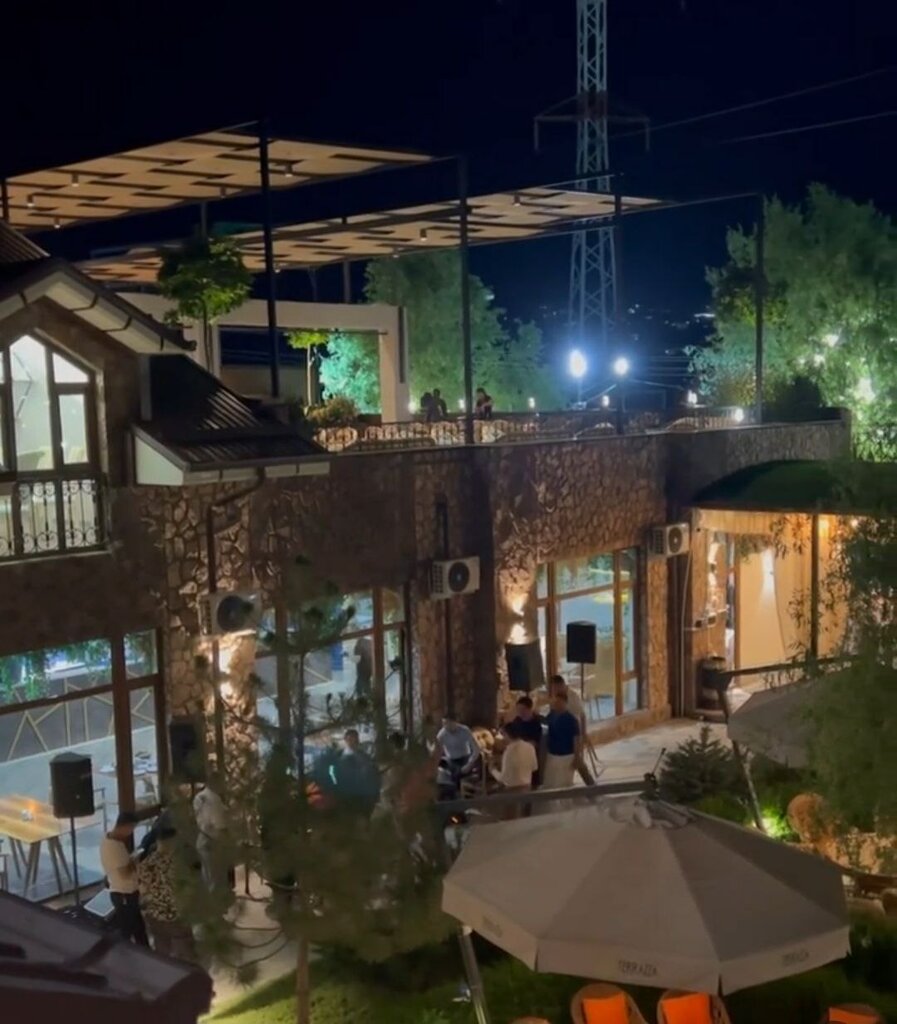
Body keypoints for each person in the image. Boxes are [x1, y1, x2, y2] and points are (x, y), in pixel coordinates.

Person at [137, 823, 197, 961]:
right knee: (186, 953)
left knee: (162, 950)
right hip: (177, 915)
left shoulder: (145, 863)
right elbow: (188, 891)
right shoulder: (178, 865)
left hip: (155, 915)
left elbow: (143, 890)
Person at [100, 811, 149, 946]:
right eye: (132, 828)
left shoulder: (109, 839)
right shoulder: (114, 847)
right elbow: (124, 873)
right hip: (124, 894)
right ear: (125, 826)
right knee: (130, 930)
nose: (131, 832)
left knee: (138, 929)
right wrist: (134, 861)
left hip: (125, 892)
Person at [548, 674, 596, 785]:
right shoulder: (557, 696)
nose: (554, 690)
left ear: (561, 685)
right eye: (553, 688)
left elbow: (582, 715)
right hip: (562, 732)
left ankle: (592, 786)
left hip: (574, 732)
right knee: (571, 763)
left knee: (577, 760)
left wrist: (583, 733)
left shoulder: (573, 696)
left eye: (555, 687)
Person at [492, 720, 538, 819]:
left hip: (512, 790)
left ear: (508, 735)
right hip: (527, 787)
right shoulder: (530, 747)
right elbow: (534, 767)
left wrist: (492, 770)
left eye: (503, 734)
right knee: (524, 818)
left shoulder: (509, 751)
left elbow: (503, 778)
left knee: (510, 820)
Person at [193, 774, 227, 891]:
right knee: (215, 878)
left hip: (202, 839)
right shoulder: (214, 799)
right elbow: (219, 824)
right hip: (213, 841)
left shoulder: (199, 796)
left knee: (208, 875)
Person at [542, 690, 581, 792]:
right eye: (555, 702)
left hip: (566, 756)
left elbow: (576, 739)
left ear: (565, 703)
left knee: (564, 785)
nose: (556, 704)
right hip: (552, 755)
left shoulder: (571, 720)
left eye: (559, 702)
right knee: (550, 783)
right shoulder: (551, 716)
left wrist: (577, 757)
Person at [337, 728, 381, 815]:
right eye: (350, 739)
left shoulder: (365, 757)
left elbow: (372, 774)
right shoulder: (338, 755)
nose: (352, 742)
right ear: (345, 740)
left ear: (357, 740)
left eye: (355, 739)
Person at [508, 695, 543, 788]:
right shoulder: (517, 721)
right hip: (518, 760)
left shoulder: (536, 723)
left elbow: (535, 743)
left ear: (529, 709)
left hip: (530, 759)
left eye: (522, 709)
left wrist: (520, 744)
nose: (520, 712)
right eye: (518, 709)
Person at [353, 636, 373, 701]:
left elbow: (356, 659)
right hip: (369, 669)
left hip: (362, 670)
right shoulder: (369, 642)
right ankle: (368, 698)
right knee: (366, 683)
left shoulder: (359, 645)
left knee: (361, 684)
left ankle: (362, 698)